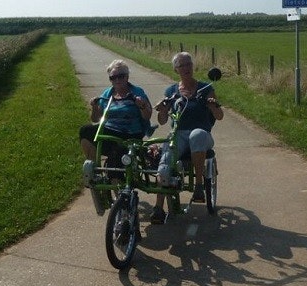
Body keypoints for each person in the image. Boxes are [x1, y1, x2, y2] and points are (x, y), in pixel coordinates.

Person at [150, 52, 224, 224]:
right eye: (182, 65)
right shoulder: (171, 91)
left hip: (202, 134)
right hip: (178, 134)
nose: (186, 68)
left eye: (188, 64)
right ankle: (159, 207)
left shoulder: (206, 88)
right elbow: (162, 121)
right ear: (176, 69)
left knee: (196, 134)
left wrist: (213, 106)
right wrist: (162, 110)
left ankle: (199, 186)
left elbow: (219, 116)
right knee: (165, 160)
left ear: (193, 66)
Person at [79, 59, 152, 181]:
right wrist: (95, 108)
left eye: (121, 76)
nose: (117, 80)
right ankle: (95, 168)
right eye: (113, 77)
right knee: (85, 131)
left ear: (127, 77)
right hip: (110, 132)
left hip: (130, 135)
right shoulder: (107, 94)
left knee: (116, 156)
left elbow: (147, 116)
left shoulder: (137, 92)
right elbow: (96, 118)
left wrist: (142, 105)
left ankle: (119, 190)